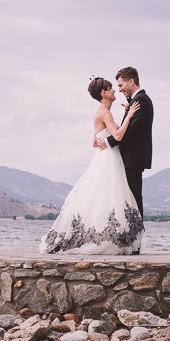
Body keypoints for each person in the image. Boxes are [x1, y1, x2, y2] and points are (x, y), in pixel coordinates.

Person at [39, 76, 144, 255]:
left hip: (105, 157)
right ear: (104, 93)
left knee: (103, 197)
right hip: (109, 159)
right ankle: (107, 239)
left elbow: (94, 143)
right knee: (109, 196)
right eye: (111, 88)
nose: (114, 91)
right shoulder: (104, 112)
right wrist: (130, 116)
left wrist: (122, 116)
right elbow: (118, 136)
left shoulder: (101, 111)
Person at [96, 66, 154, 220]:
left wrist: (107, 142)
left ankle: (136, 237)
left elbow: (130, 131)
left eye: (121, 85)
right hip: (128, 158)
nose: (119, 89)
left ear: (131, 81)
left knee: (133, 199)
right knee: (127, 199)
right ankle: (129, 236)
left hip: (133, 159)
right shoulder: (136, 100)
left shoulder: (141, 100)